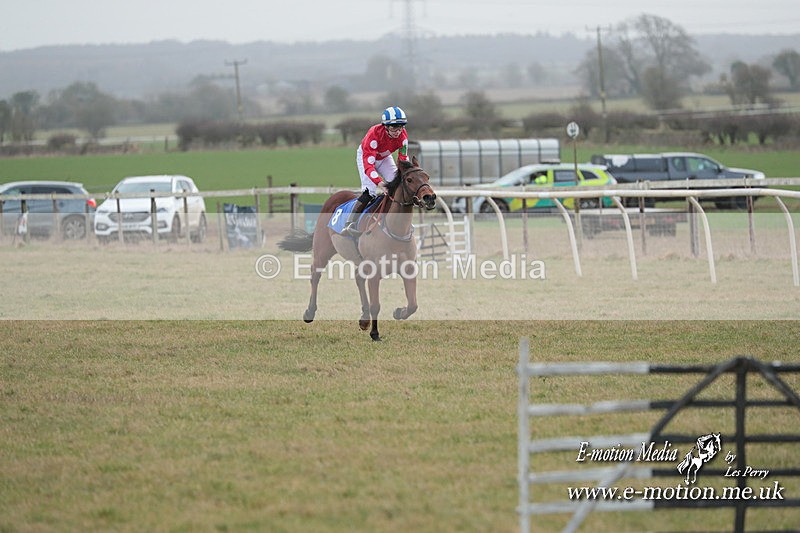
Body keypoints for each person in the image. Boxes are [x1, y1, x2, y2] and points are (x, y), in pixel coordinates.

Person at [344, 106, 409, 236]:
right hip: (367, 157)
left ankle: (397, 221)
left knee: (398, 186)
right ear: (385, 126)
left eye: (400, 126)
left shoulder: (403, 136)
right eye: (393, 127)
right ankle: (350, 223)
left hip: (384, 158)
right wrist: (380, 183)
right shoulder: (374, 134)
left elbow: (403, 160)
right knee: (370, 191)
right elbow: (369, 166)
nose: (397, 131)